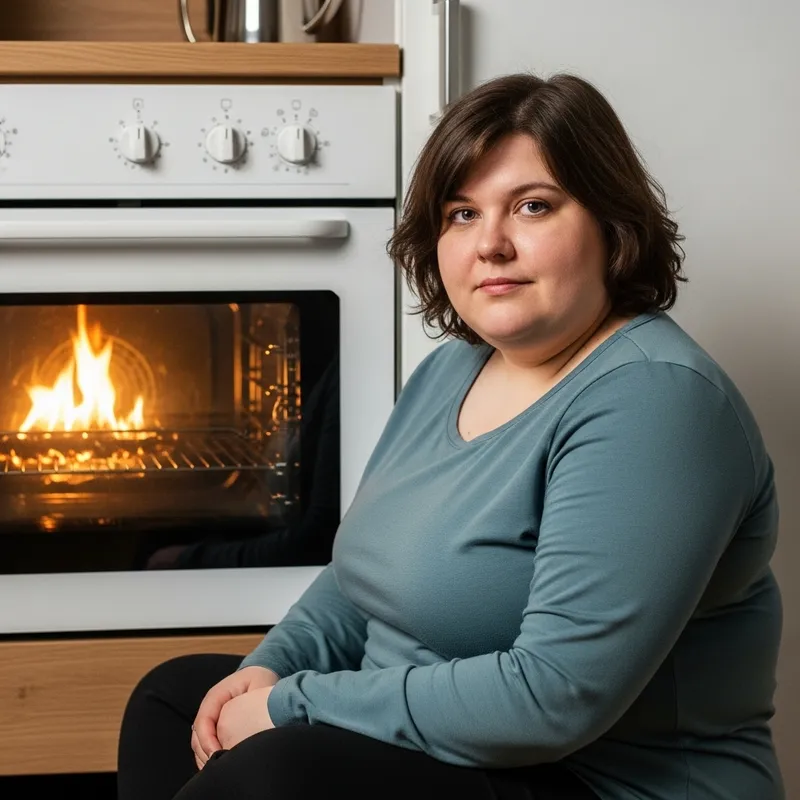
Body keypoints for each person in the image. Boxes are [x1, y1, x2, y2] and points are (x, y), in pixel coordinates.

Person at [116, 73, 784, 800]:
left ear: (611, 225)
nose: (490, 244)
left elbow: (553, 698)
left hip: (597, 781)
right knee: (174, 700)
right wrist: (272, 666)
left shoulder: (657, 400)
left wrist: (293, 704)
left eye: (532, 206)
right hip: (457, 754)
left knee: (273, 771)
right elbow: (359, 579)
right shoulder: (451, 370)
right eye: (462, 214)